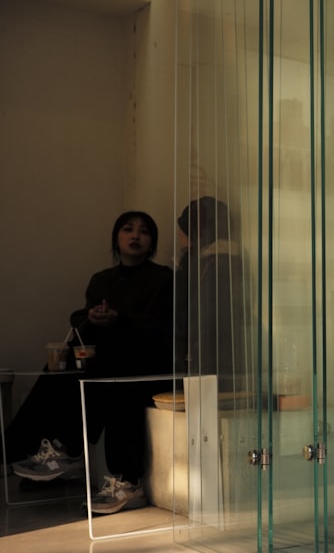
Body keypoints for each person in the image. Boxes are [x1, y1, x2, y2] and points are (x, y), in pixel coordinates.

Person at [7, 211, 173, 514]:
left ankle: (63, 448)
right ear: (116, 238)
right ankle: (54, 448)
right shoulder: (102, 280)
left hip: (148, 361)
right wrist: (94, 318)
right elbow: (82, 319)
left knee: (105, 369)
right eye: (127, 229)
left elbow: (163, 327)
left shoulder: (163, 277)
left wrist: (119, 319)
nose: (135, 236)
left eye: (144, 232)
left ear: (152, 242)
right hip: (108, 359)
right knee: (70, 359)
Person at [175, 196, 248, 392]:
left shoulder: (213, 263)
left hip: (211, 362)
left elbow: (203, 319)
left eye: (183, 231)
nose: (180, 238)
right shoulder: (225, 259)